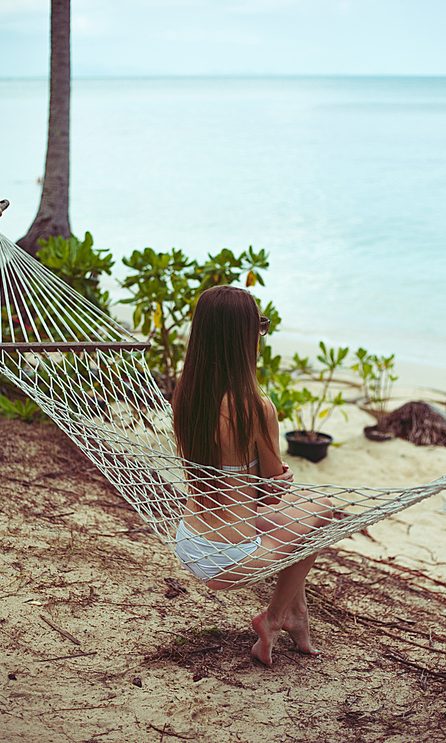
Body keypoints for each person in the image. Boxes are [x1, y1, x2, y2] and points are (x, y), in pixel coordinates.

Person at [172, 285, 333, 666]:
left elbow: (244, 489)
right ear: (244, 337)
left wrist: (265, 483)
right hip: (230, 556)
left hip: (190, 539)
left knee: (301, 513)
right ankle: (275, 618)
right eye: (259, 328)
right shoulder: (256, 409)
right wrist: (281, 478)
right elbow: (271, 494)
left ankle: (298, 617)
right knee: (324, 510)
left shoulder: (185, 394)